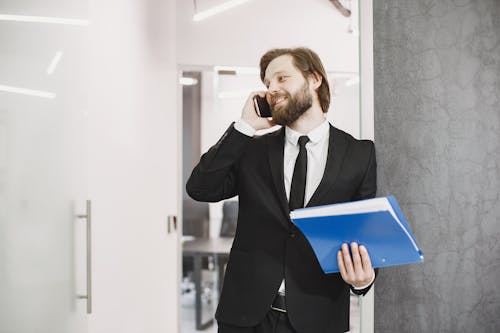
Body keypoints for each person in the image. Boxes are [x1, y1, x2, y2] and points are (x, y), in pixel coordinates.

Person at [186, 47, 377, 333]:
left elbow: (366, 233)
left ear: (314, 79)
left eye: (281, 78)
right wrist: (244, 127)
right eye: (267, 83)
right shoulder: (251, 148)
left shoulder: (360, 154)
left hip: (318, 318)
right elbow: (201, 188)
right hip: (245, 317)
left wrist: (363, 280)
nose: (271, 89)